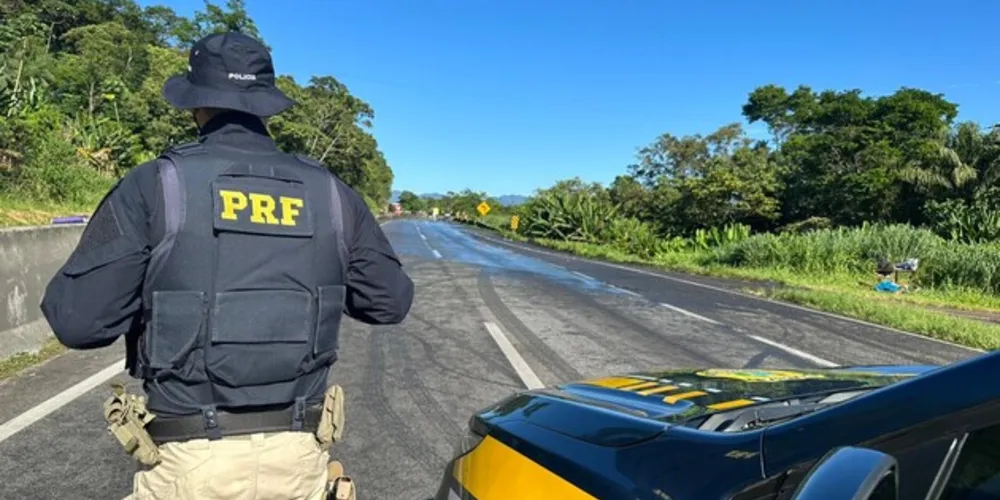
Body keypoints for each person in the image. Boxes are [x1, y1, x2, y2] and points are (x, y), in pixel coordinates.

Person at [39, 31, 414, 499]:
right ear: (265, 106)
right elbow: (390, 301)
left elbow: (78, 322)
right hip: (299, 460)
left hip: (189, 463)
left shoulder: (156, 185)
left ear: (197, 103)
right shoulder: (331, 194)